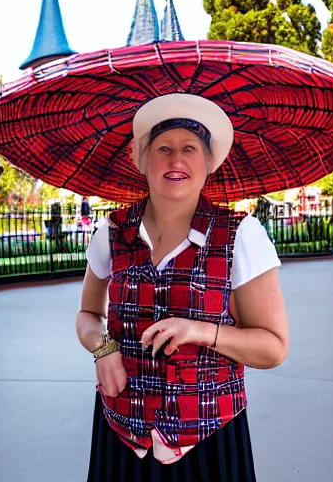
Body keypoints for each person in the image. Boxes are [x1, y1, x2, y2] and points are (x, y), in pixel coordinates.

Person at [76, 93, 289, 481]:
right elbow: (88, 315)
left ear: (209, 162)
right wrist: (102, 349)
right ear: (141, 159)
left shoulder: (240, 236)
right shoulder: (112, 233)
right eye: (164, 148)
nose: (176, 161)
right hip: (121, 436)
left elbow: (273, 347)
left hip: (208, 443)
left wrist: (200, 331)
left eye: (189, 148)